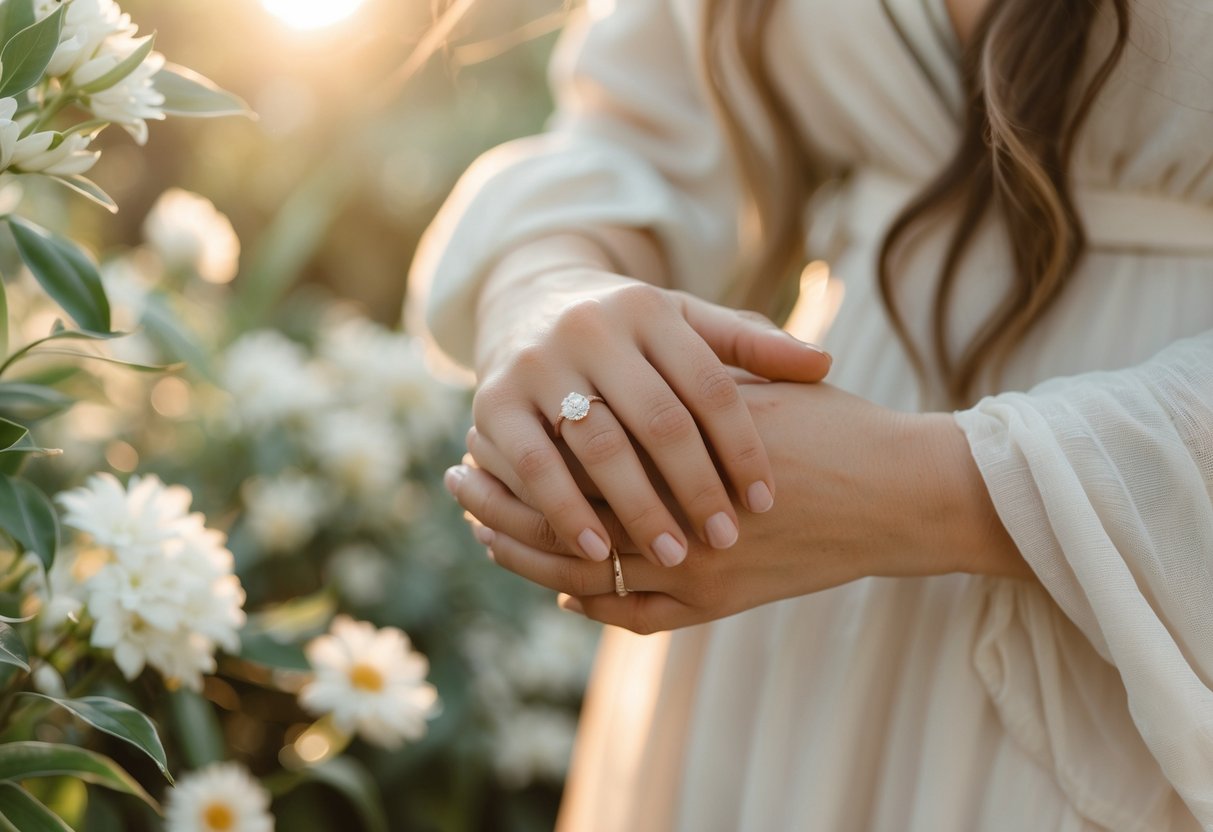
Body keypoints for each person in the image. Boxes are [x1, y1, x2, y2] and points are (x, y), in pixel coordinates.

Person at [410, 0, 1213, 828]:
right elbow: (639, 127)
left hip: (1146, 620)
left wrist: (925, 492)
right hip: (785, 608)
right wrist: (549, 289)